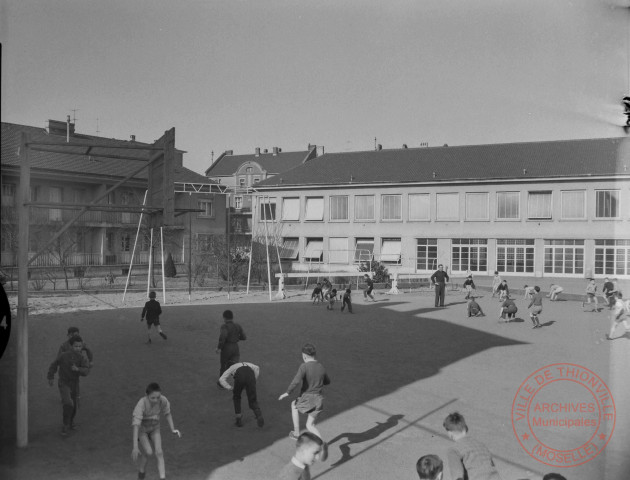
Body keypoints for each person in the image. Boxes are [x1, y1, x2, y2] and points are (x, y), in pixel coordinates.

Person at [279, 343, 330, 441]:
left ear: (304, 356)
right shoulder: (321, 367)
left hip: (308, 398)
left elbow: (296, 381)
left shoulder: (304, 366)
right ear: (314, 355)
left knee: (294, 405)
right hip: (319, 400)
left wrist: (287, 392)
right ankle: (322, 443)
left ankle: (297, 433)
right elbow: (327, 381)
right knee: (310, 425)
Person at [131, 382, 181, 480]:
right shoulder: (141, 404)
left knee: (159, 452)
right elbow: (136, 426)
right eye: (152, 398)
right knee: (149, 452)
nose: (156, 400)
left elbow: (167, 413)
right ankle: (141, 472)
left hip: (155, 429)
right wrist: (135, 447)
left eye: (158, 397)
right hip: (143, 431)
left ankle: (163, 478)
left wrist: (172, 428)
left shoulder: (163, 400)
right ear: (146, 396)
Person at [47, 335, 91, 435]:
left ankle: (71, 422)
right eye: (76, 346)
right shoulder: (63, 355)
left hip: (74, 384)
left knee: (74, 407)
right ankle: (65, 425)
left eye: (80, 346)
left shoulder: (82, 358)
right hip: (64, 383)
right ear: (71, 346)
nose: (78, 348)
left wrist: (78, 369)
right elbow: (54, 365)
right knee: (68, 403)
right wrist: (50, 377)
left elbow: (86, 371)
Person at [443, 412, 502, 480]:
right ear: (465, 429)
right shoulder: (481, 445)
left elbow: (457, 477)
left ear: (450, 433)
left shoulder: (454, 450)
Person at [219, 361, 264, 428]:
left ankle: (239, 421)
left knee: (236, 397)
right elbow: (257, 368)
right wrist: (254, 380)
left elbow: (221, 379)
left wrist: (230, 387)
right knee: (252, 399)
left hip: (240, 377)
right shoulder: (248, 364)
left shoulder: (231, 368)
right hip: (251, 376)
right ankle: (258, 415)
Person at [216, 309, 246, 381]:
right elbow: (244, 337)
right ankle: (241, 381)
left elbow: (223, 337)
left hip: (227, 348)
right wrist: (236, 338)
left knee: (223, 365)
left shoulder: (224, 326)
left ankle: (221, 383)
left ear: (225, 318)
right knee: (235, 366)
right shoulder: (237, 326)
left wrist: (219, 348)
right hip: (235, 348)